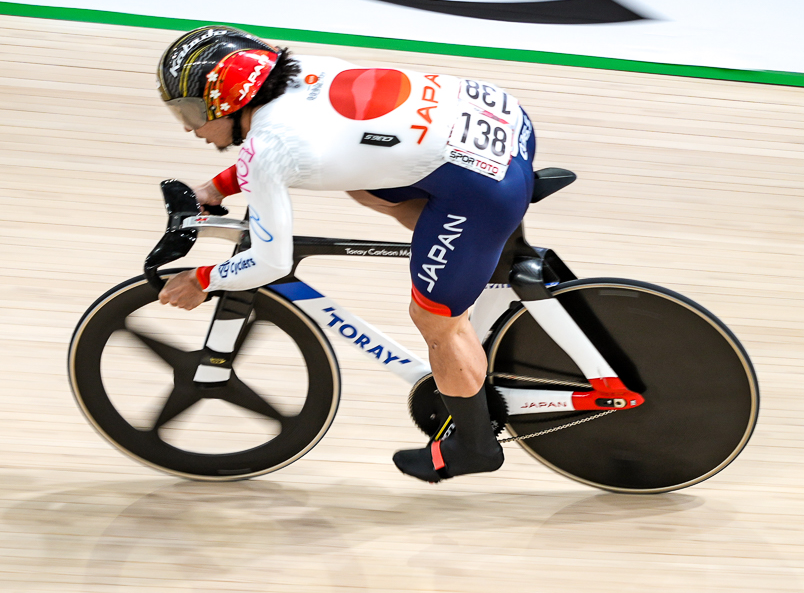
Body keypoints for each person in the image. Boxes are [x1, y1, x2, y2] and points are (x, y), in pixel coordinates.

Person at [153, 26, 537, 483]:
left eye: (193, 111)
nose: (189, 126)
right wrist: (214, 188)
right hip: (502, 117)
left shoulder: (268, 146)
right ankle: (476, 250)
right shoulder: (298, 75)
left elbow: (272, 261)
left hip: (483, 183)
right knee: (363, 184)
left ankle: (475, 447)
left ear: (233, 101)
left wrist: (202, 279)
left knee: (435, 319)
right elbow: (291, 149)